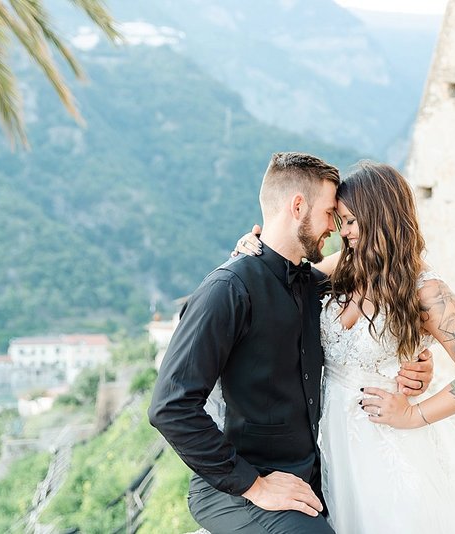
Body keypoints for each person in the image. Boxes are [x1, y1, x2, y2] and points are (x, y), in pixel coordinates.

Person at [148, 153, 433, 534]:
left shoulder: (313, 285)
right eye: (329, 213)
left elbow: (381, 279)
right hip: (238, 487)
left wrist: (415, 363)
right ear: (297, 207)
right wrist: (253, 485)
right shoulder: (228, 289)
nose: (334, 227)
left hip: (314, 474)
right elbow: (170, 407)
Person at [234, 162, 455, 533]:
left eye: (351, 221)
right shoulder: (343, 267)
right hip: (332, 440)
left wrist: (414, 415)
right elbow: (283, 280)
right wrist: (252, 249)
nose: (344, 232)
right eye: (341, 221)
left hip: (390, 443)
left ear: (381, 216)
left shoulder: (427, 291)